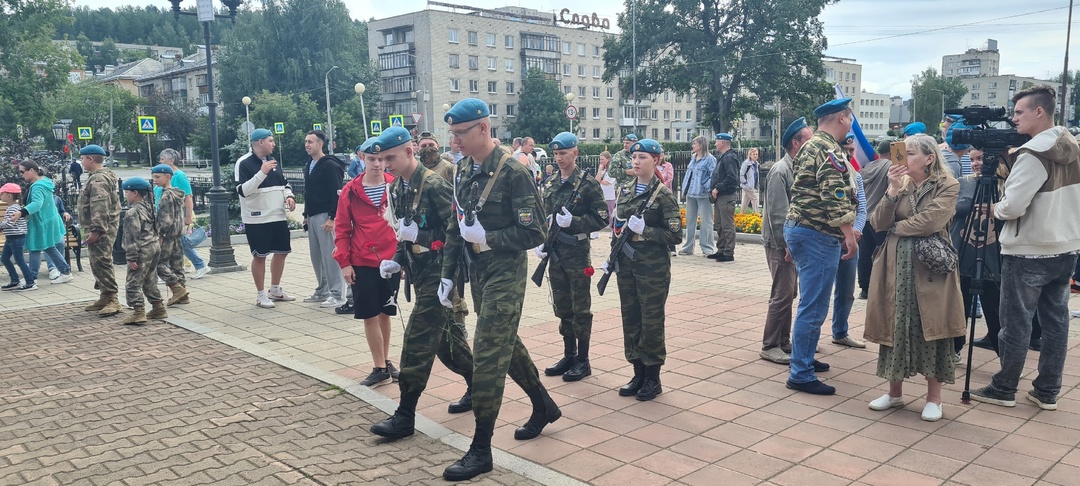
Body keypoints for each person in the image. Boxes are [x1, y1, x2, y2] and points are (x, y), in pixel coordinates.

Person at [436, 99, 560, 481]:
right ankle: (543, 404)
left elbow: (535, 232)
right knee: (505, 343)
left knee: (489, 352)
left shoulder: (512, 172)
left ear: (483, 129)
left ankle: (481, 449)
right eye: (453, 134)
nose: (454, 141)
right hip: (479, 273)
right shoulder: (462, 170)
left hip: (506, 270)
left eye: (460, 133)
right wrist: (447, 275)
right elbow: (456, 227)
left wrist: (488, 238)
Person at [972, 85, 1080, 411]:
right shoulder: (1074, 146)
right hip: (1066, 247)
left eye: (1019, 112)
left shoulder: (1032, 154)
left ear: (1039, 112)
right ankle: (1047, 391)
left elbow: (1013, 206)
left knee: (1016, 322)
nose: (1014, 118)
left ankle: (1005, 387)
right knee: (1056, 324)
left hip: (1029, 249)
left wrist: (994, 209)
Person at [368, 127, 475, 439]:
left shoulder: (433, 184)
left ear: (409, 152)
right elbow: (406, 230)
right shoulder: (400, 188)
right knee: (449, 346)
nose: (385, 163)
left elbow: (457, 231)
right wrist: (398, 259)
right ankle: (482, 385)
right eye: (380, 158)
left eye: (390, 157)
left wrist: (425, 241)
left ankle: (404, 416)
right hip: (421, 273)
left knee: (416, 342)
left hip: (440, 275)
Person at [864, 133, 964, 422]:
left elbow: (930, 221)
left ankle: (934, 398)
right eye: (901, 152)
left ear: (929, 158)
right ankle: (894, 393)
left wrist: (897, 227)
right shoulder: (899, 183)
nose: (902, 158)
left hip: (930, 267)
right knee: (895, 325)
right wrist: (892, 191)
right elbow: (878, 223)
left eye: (909, 153)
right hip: (895, 266)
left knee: (932, 326)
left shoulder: (948, 184)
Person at [783, 98, 859, 396]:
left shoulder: (810, 146)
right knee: (814, 305)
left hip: (804, 229)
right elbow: (834, 195)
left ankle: (805, 357)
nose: (851, 122)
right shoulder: (828, 149)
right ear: (842, 117)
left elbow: (801, 191)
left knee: (812, 302)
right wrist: (849, 234)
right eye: (850, 117)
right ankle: (800, 372)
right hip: (817, 233)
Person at [607, 138, 683, 401]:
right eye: (634, 157)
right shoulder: (625, 190)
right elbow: (617, 228)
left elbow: (675, 236)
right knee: (631, 318)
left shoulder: (663, 195)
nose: (636, 162)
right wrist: (611, 256)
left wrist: (646, 231)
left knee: (651, 321)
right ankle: (637, 372)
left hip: (652, 269)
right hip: (627, 266)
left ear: (656, 161)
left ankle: (653, 377)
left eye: (643, 158)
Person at [535, 132, 608, 382]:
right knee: (562, 305)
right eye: (555, 154)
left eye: (563, 153)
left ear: (575, 153)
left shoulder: (587, 183)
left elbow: (601, 218)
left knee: (580, 308)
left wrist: (574, 222)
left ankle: (583, 360)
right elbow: (545, 217)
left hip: (576, 253)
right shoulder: (551, 181)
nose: (558, 158)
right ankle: (569, 354)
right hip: (555, 254)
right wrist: (542, 241)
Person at [335, 138, 400, 387]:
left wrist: (403, 260)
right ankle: (379, 366)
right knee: (369, 314)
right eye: (372, 159)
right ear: (362, 158)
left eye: (382, 158)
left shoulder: (395, 186)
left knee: (386, 312)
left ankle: (385, 360)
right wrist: (344, 263)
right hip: (362, 260)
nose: (377, 163)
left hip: (391, 260)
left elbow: (405, 225)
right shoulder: (351, 191)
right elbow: (342, 230)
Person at [759, 118, 811, 364]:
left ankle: (783, 341)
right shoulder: (781, 170)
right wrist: (787, 245)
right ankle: (770, 345)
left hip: (792, 243)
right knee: (781, 293)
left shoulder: (796, 167)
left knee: (790, 292)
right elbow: (778, 214)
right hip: (781, 244)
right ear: (795, 142)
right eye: (808, 141)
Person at [236, 128, 298, 309]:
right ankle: (260, 294)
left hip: (277, 215)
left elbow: (284, 183)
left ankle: (275, 289)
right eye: (271, 140)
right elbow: (243, 191)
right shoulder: (244, 163)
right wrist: (261, 173)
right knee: (260, 255)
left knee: (282, 251)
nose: (274, 144)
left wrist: (290, 196)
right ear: (260, 142)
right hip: (257, 218)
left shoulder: (273, 161)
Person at [952, 148, 1004, 354]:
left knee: (995, 308)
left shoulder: (1004, 185)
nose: (975, 163)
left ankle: (1003, 354)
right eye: (972, 159)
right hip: (963, 253)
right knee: (959, 306)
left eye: (980, 158)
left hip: (993, 258)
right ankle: (954, 349)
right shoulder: (962, 183)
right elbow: (952, 210)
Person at [300, 130, 347, 309]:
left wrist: (332, 217)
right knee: (316, 256)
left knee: (330, 256)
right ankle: (323, 290)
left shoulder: (329, 165)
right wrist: (305, 215)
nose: (307, 145)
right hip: (312, 216)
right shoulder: (309, 164)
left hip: (326, 217)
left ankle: (337, 294)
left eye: (310, 141)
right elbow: (308, 192)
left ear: (320, 144)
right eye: (306, 141)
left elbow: (337, 193)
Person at [831, 133, 868, 349]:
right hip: (829, 240)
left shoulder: (857, 176)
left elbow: (861, 208)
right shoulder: (829, 173)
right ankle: (810, 337)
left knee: (846, 291)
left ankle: (840, 331)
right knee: (818, 293)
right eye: (846, 150)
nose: (849, 154)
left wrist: (855, 232)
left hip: (850, 241)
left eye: (852, 151)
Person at [77, 145, 121, 316]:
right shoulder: (98, 176)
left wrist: (96, 230)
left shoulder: (98, 180)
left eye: (82, 158)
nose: (81, 162)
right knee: (97, 262)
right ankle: (105, 295)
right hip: (101, 227)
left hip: (101, 229)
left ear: (90, 159)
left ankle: (112, 299)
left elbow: (99, 206)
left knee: (102, 262)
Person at [16, 161, 74, 291]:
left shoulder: (38, 187)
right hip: (46, 221)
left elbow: (37, 204)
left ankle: (32, 279)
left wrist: (21, 212)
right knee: (47, 247)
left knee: (36, 247)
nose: (20, 174)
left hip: (41, 223)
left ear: (31, 170)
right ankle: (65, 272)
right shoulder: (44, 181)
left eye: (22, 171)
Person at [120, 177, 168, 326]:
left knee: (133, 282)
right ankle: (158, 306)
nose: (125, 195)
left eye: (126, 192)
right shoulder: (148, 207)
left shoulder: (132, 212)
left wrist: (131, 258)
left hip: (142, 249)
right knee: (150, 278)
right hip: (153, 246)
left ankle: (138, 311)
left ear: (135, 193)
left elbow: (132, 237)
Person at [158, 149, 211, 280]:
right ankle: (196, 266)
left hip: (177, 216)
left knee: (178, 242)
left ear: (171, 160)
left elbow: (188, 196)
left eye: (162, 159)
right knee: (178, 243)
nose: (160, 161)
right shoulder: (163, 175)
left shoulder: (179, 176)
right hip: (168, 215)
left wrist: (188, 217)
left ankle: (197, 265)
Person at [857, 141, 893, 299]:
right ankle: (883, 287)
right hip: (879, 218)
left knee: (865, 255)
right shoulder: (890, 167)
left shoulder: (866, 167)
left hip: (864, 217)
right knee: (884, 253)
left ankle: (865, 288)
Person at [151, 164, 190, 306]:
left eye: (157, 177)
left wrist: (160, 236)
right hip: (177, 234)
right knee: (177, 264)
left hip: (167, 236)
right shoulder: (177, 193)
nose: (154, 180)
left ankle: (177, 288)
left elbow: (165, 219)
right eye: (153, 177)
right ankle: (183, 294)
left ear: (168, 177)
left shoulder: (166, 196)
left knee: (158, 264)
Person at [679, 136, 718, 256]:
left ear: (701, 145)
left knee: (706, 221)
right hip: (691, 193)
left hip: (703, 195)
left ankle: (707, 248)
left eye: (694, 144)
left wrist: (705, 186)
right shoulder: (693, 158)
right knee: (690, 221)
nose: (692, 146)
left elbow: (713, 175)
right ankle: (688, 247)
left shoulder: (710, 159)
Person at [709, 133, 740, 261]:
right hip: (720, 196)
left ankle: (728, 252)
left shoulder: (729, 158)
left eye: (717, 141)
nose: (715, 144)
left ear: (722, 143)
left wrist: (718, 188)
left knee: (727, 225)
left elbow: (732, 178)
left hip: (726, 195)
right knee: (719, 224)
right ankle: (721, 249)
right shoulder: (723, 157)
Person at [0, 183, 32, 290]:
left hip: (16, 237)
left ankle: (30, 282)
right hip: (11, 238)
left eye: (2, 193)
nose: (0, 196)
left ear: (9, 195)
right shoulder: (13, 207)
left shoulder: (13, 209)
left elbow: (10, 223)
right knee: (4, 258)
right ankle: (15, 280)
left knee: (19, 260)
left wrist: (1, 225)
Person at [596, 151, 617, 231]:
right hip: (601, 194)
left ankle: (612, 230)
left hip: (609, 195)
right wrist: (599, 170)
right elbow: (596, 180)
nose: (601, 161)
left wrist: (600, 178)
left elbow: (606, 182)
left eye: (602, 159)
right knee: (600, 212)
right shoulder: (602, 170)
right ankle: (597, 231)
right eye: (600, 159)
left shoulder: (611, 170)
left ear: (608, 159)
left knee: (611, 213)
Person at [739, 148, 761, 212]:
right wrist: (745, 183)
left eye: (756, 154)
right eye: (753, 154)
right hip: (748, 185)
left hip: (752, 185)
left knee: (746, 200)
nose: (755, 156)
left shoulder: (756, 164)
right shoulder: (746, 163)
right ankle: (757, 214)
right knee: (754, 199)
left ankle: (742, 213)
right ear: (750, 155)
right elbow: (741, 174)